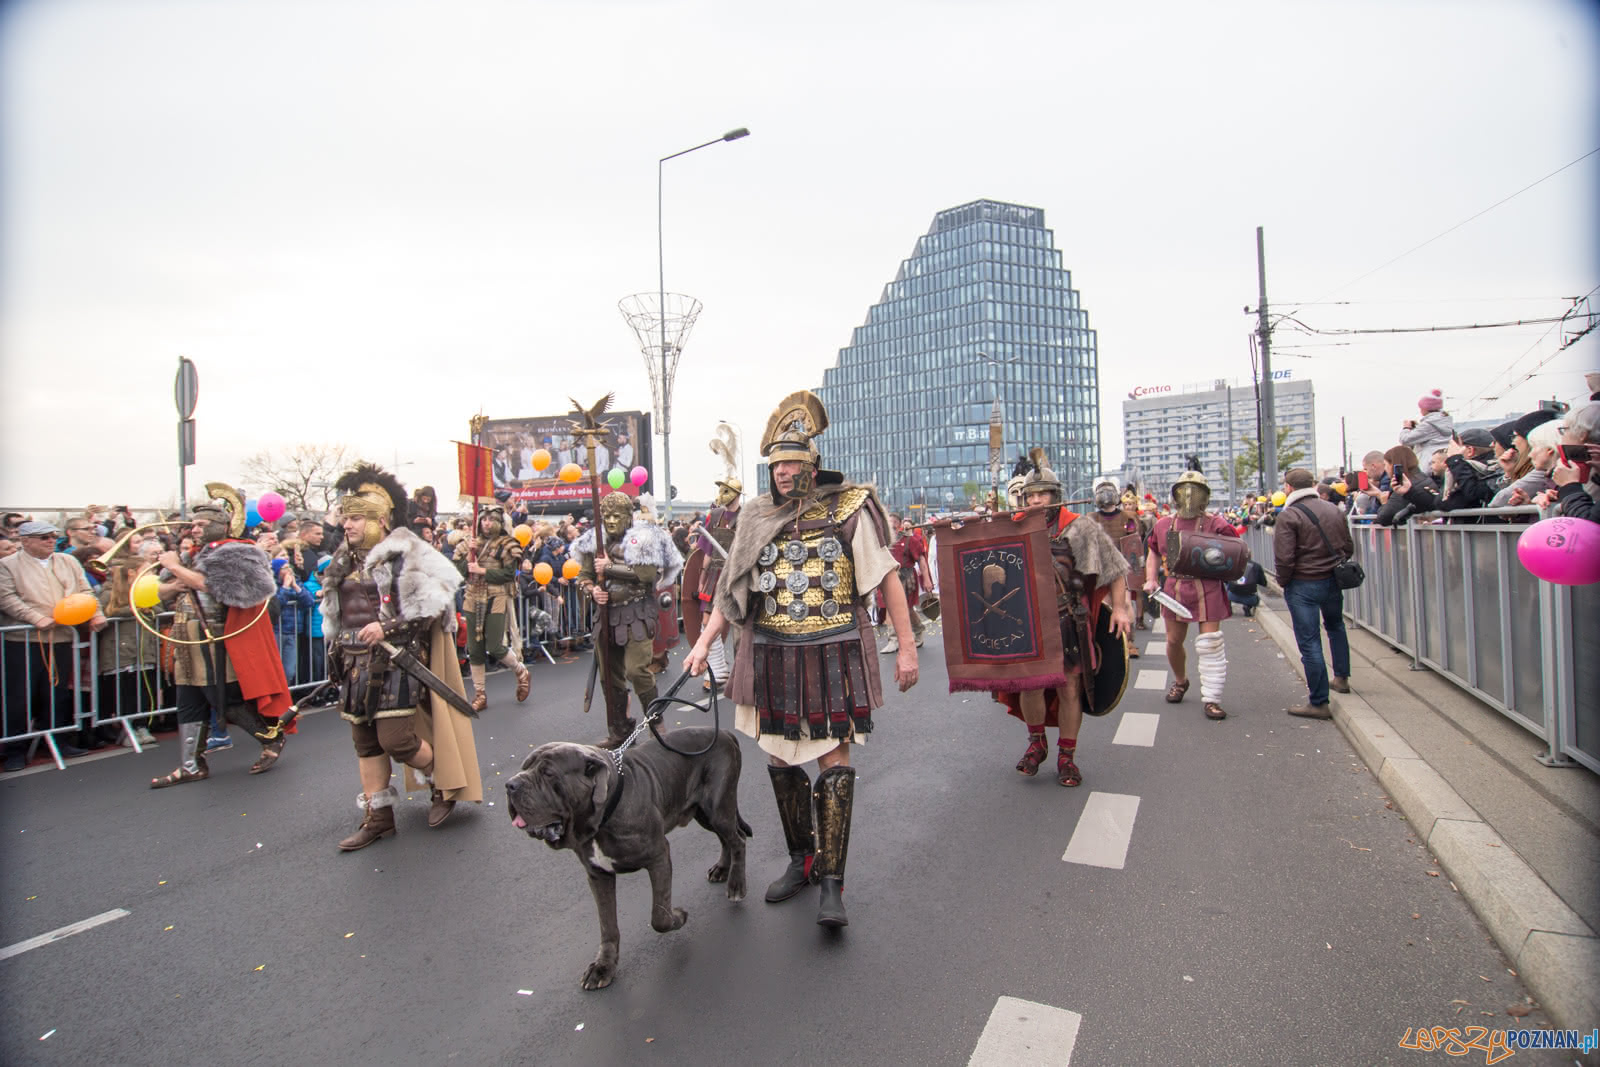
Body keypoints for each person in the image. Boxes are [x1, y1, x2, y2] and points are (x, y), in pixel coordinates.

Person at [684, 389, 918, 928]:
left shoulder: (850, 509)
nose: (784, 472)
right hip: (770, 654)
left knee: (833, 763)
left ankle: (833, 882)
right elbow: (731, 592)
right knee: (780, 760)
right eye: (776, 465)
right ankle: (802, 860)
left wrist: (906, 647)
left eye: (792, 462)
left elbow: (886, 577)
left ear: (813, 464)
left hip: (834, 649)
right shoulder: (756, 515)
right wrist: (701, 644)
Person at [321, 463, 482, 850]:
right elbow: (337, 614)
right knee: (365, 741)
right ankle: (379, 818)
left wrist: (387, 627)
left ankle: (443, 781)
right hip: (353, 662)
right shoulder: (343, 561)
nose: (347, 525)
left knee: (396, 740)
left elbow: (431, 606)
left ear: (380, 520)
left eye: (356, 518)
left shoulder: (407, 556)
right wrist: (334, 654)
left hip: (396, 660)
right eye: (346, 518)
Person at [998, 454, 1132, 786]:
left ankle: (1066, 757)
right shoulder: (1014, 527)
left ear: (1055, 495)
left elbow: (1115, 569)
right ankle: (1037, 743)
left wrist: (1119, 608)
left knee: (1070, 688)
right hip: (1028, 622)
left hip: (1069, 620)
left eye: (1042, 494)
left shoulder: (1079, 527)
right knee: (1031, 685)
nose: (1035, 500)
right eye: (1030, 495)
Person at [150, 488, 292, 787]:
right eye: (194, 524)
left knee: (225, 698)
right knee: (188, 700)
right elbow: (161, 590)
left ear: (223, 525)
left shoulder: (237, 551)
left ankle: (272, 737)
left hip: (216, 637)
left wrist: (176, 568)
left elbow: (214, 586)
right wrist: (173, 581)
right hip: (185, 636)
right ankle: (191, 765)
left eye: (202, 524)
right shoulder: (190, 555)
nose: (195, 529)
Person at [571, 491, 684, 744]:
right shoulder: (594, 542)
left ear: (628, 516)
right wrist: (593, 590)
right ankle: (620, 731)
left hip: (636, 612)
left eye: (616, 516)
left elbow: (646, 575)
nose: (611, 521)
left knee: (637, 670)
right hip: (606, 614)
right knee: (609, 677)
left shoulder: (643, 539)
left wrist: (609, 567)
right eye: (607, 516)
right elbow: (583, 577)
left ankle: (657, 724)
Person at [0, 521, 106, 770]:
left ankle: (58, 740)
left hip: (61, 637)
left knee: (58, 692)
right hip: (22, 640)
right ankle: (15, 748)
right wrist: (34, 618)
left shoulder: (68, 561)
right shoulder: (7, 564)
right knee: (19, 695)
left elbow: (85, 591)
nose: (50, 540)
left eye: (53, 536)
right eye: (44, 537)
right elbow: (6, 598)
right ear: (25, 541)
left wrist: (96, 614)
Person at [1143, 463, 1236, 720]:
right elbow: (1153, 551)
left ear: (1204, 496)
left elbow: (1236, 549)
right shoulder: (1164, 525)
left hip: (1207, 586)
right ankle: (1181, 680)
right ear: (1176, 494)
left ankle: (1212, 699)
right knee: (1174, 641)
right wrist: (1151, 578)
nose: (1189, 495)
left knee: (1210, 643)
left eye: (1194, 491)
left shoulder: (1216, 523)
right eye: (1184, 490)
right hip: (1175, 587)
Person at [1272, 468, 1354, 718]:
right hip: (1332, 580)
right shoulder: (1333, 510)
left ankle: (1319, 702)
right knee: (1336, 627)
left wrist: (1284, 581)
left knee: (1310, 642)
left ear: (1288, 487)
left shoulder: (1289, 515)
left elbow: (1284, 558)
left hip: (1303, 583)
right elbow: (1348, 547)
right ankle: (1341, 678)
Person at [453, 504, 531, 711]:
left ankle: (521, 671)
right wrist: (468, 557)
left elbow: (509, 574)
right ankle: (480, 693)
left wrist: (482, 571)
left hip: (496, 596)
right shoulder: (469, 543)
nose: (487, 523)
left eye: (491, 520)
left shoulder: (507, 544)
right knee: (475, 649)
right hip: (472, 596)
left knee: (495, 646)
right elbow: (460, 571)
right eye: (484, 519)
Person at [1087, 479, 1144, 659]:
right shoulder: (1091, 518)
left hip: (1122, 567)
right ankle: (1110, 642)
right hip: (1101, 569)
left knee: (1125, 603)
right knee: (1105, 605)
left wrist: (1135, 570)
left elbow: (1133, 543)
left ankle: (1129, 641)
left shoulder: (1127, 517)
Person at [694, 475, 742, 690]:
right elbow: (708, 551)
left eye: (727, 490)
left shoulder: (746, 516)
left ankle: (741, 672)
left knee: (739, 625)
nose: (722, 494)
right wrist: (702, 577)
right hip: (715, 574)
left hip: (737, 575)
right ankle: (717, 670)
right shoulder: (714, 516)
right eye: (721, 489)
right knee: (707, 622)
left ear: (737, 494)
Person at [882, 515, 932, 652]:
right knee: (889, 607)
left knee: (908, 609)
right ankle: (893, 640)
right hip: (888, 577)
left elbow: (921, 560)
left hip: (906, 578)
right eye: (889, 521)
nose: (891, 524)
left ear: (899, 524)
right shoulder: (883, 540)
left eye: (894, 522)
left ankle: (918, 630)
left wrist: (927, 580)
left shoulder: (910, 540)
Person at [1399, 389, 1454, 458]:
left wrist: (1406, 428)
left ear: (1426, 408)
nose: (1420, 410)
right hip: (1442, 458)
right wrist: (1416, 428)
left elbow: (1405, 440)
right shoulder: (1444, 421)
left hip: (1429, 460)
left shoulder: (1429, 424)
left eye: (1421, 408)